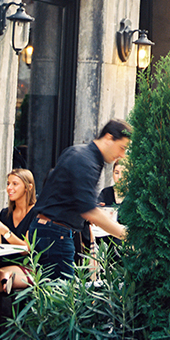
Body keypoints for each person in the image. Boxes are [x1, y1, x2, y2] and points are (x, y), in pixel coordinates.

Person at [29, 119, 130, 279]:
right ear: (109, 138)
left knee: (52, 297)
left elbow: (66, 197)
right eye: (122, 148)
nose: (122, 154)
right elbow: (89, 212)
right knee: (62, 299)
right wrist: (126, 235)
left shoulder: (79, 153)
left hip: (49, 231)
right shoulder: (86, 161)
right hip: (55, 233)